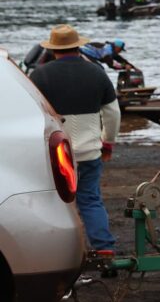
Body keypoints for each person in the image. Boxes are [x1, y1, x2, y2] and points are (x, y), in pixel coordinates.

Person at [29, 25, 121, 265]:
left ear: (54, 49)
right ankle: (104, 249)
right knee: (90, 198)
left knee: (55, 201)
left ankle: (57, 254)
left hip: (56, 152)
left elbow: (32, 114)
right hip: (90, 150)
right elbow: (112, 113)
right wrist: (108, 142)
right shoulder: (97, 73)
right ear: (77, 46)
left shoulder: (40, 75)